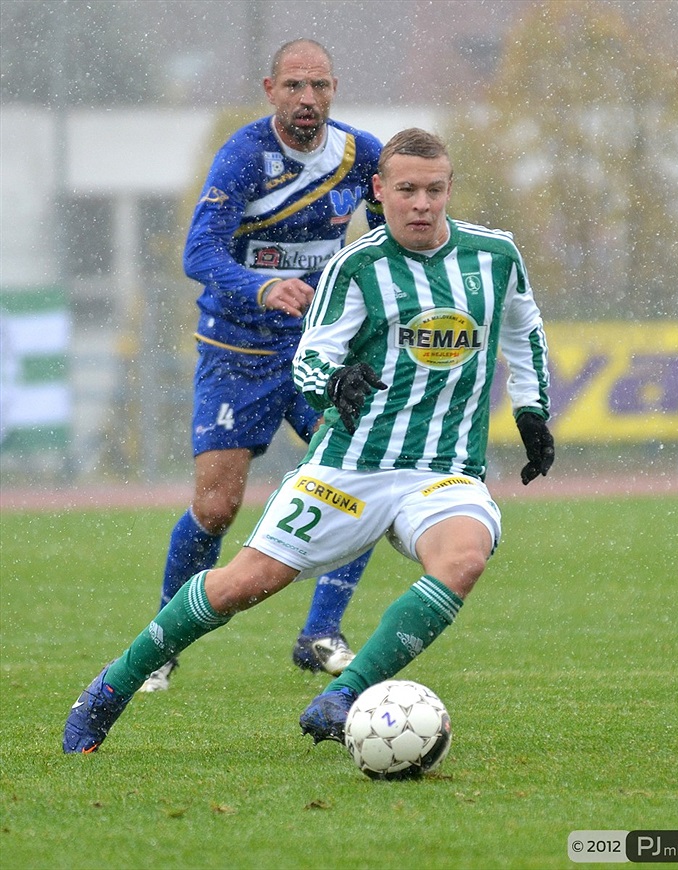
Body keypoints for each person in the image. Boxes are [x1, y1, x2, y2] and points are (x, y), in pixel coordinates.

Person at [63, 128, 554, 754]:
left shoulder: (496, 257)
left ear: (449, 189)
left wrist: (534, 412)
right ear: (380, 190)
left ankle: (344, 694)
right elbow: (312, 361)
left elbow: (524, 332)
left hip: (444, 471)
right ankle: (111, 688)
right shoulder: (358, 266)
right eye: (406, 190)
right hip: (351, 467)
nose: (421, 204)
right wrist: (334, 384)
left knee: (463, 560)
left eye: (434, 190)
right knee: (243, 583)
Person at [140, 39, 385, 692]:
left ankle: (321, 632)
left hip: (317, 352)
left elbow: (388, 239)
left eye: (320, 87)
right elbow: (199, 252)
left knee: (360, 480)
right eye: (295, 87)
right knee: (217, 508)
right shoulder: (245, 156)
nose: (308, 101)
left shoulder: (363, 155)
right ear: (270, 88)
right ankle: (162, 641)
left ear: (335, 89)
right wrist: (260, 286)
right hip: (237, 353)